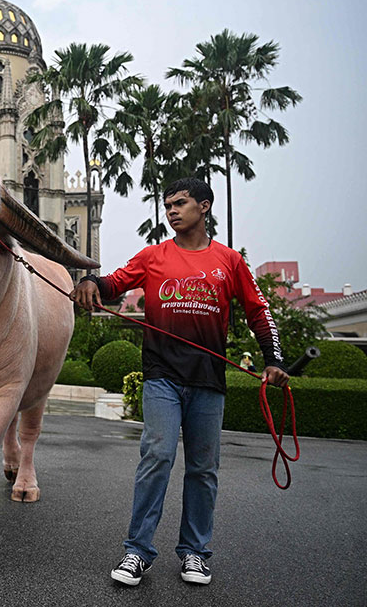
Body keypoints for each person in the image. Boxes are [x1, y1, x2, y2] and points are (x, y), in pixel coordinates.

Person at [70, 177, 289, 587]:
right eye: (167, 204)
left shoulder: (229, 261)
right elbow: (113, 283)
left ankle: (194, 554)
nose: (171, 210)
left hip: (208, 380)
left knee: (203, 470)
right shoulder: (154, 256)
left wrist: (273, 359)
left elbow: (259, 311)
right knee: (157, 458)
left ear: (204, 207)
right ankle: (137, 552)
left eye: (181, 203)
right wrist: (90, 283)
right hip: (162, 378)